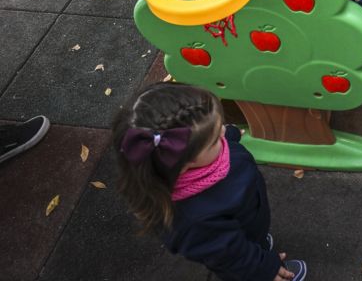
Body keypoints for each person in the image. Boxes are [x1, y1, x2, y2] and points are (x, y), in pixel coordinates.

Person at [112, 83, 307, 281]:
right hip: (239, 255)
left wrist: (227, 136)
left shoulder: (200, 153)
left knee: (251, 240)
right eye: (215, 139)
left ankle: (257, 244)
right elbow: (230, 256)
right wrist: (264, 269)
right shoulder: (194, 221)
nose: (223, 132)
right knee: (244, 257)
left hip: (247, 218)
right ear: (183, 164)